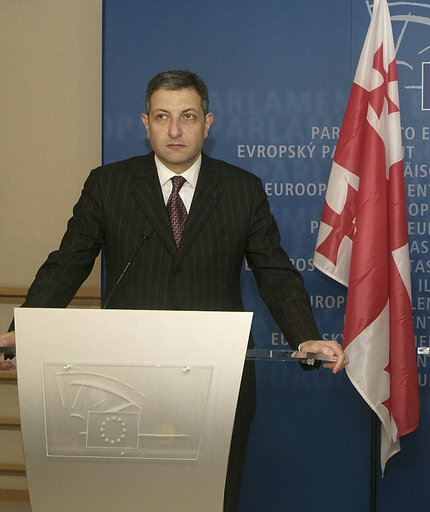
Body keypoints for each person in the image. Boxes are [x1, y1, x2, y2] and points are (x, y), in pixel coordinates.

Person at [0, 70, 347, 511]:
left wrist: (304, 335)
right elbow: (67, 263)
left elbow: (275, 272)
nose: (176, 130)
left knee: (214, 496)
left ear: (208, 123)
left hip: (218, 379)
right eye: (162, 117)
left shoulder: (242, 189)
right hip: (124, 378)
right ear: (145, 123)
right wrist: (24, 331)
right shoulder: (109, 185)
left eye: (188, 116)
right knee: (128, 498)